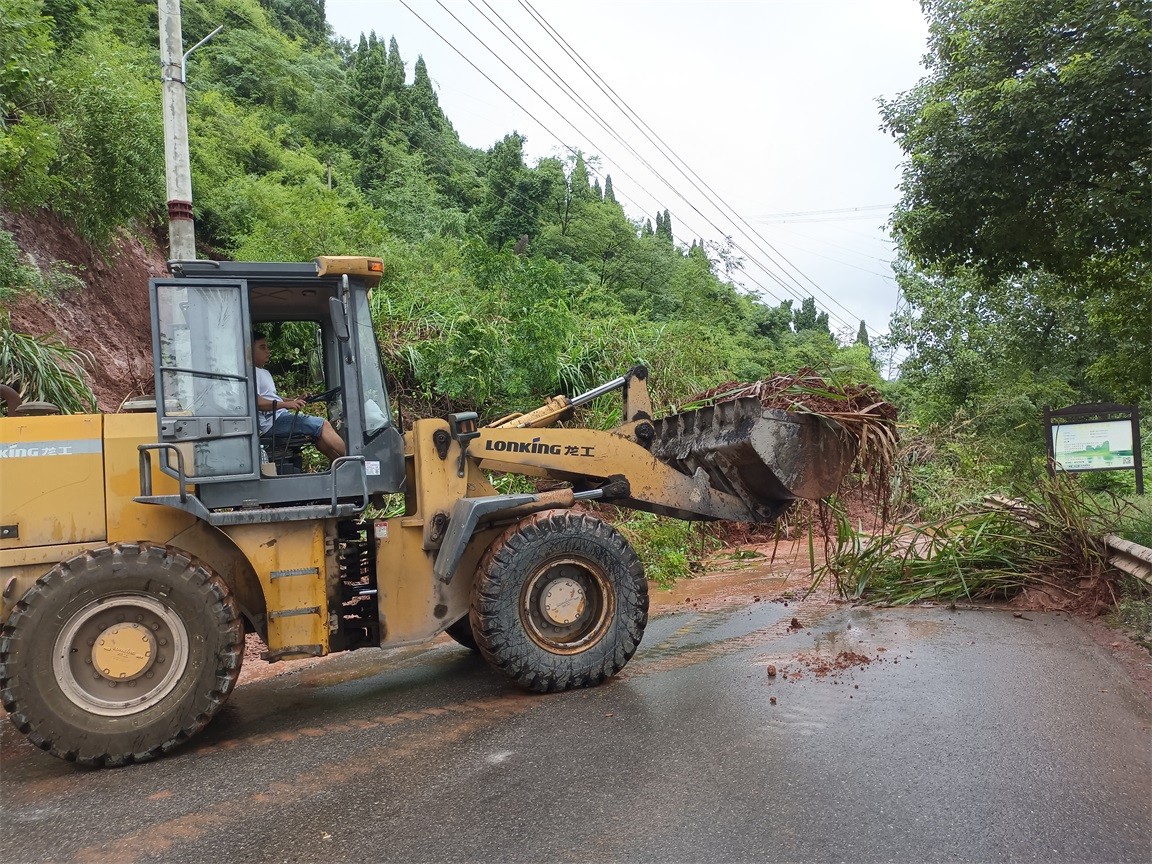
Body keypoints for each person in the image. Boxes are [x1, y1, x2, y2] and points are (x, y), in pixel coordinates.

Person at [252, 331, 346, 462]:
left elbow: (273, 398)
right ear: (249, 349)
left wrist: (295, 400)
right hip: (271, 423)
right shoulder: (251, 372)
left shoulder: (263, 372)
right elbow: (255, 402)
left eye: (267, 347)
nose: (268, 351)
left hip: (278, 418)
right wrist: (286, 405)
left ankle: (343, 468)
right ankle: (358, 461)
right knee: (323, 425)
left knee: (319, 436)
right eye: (262, 347)